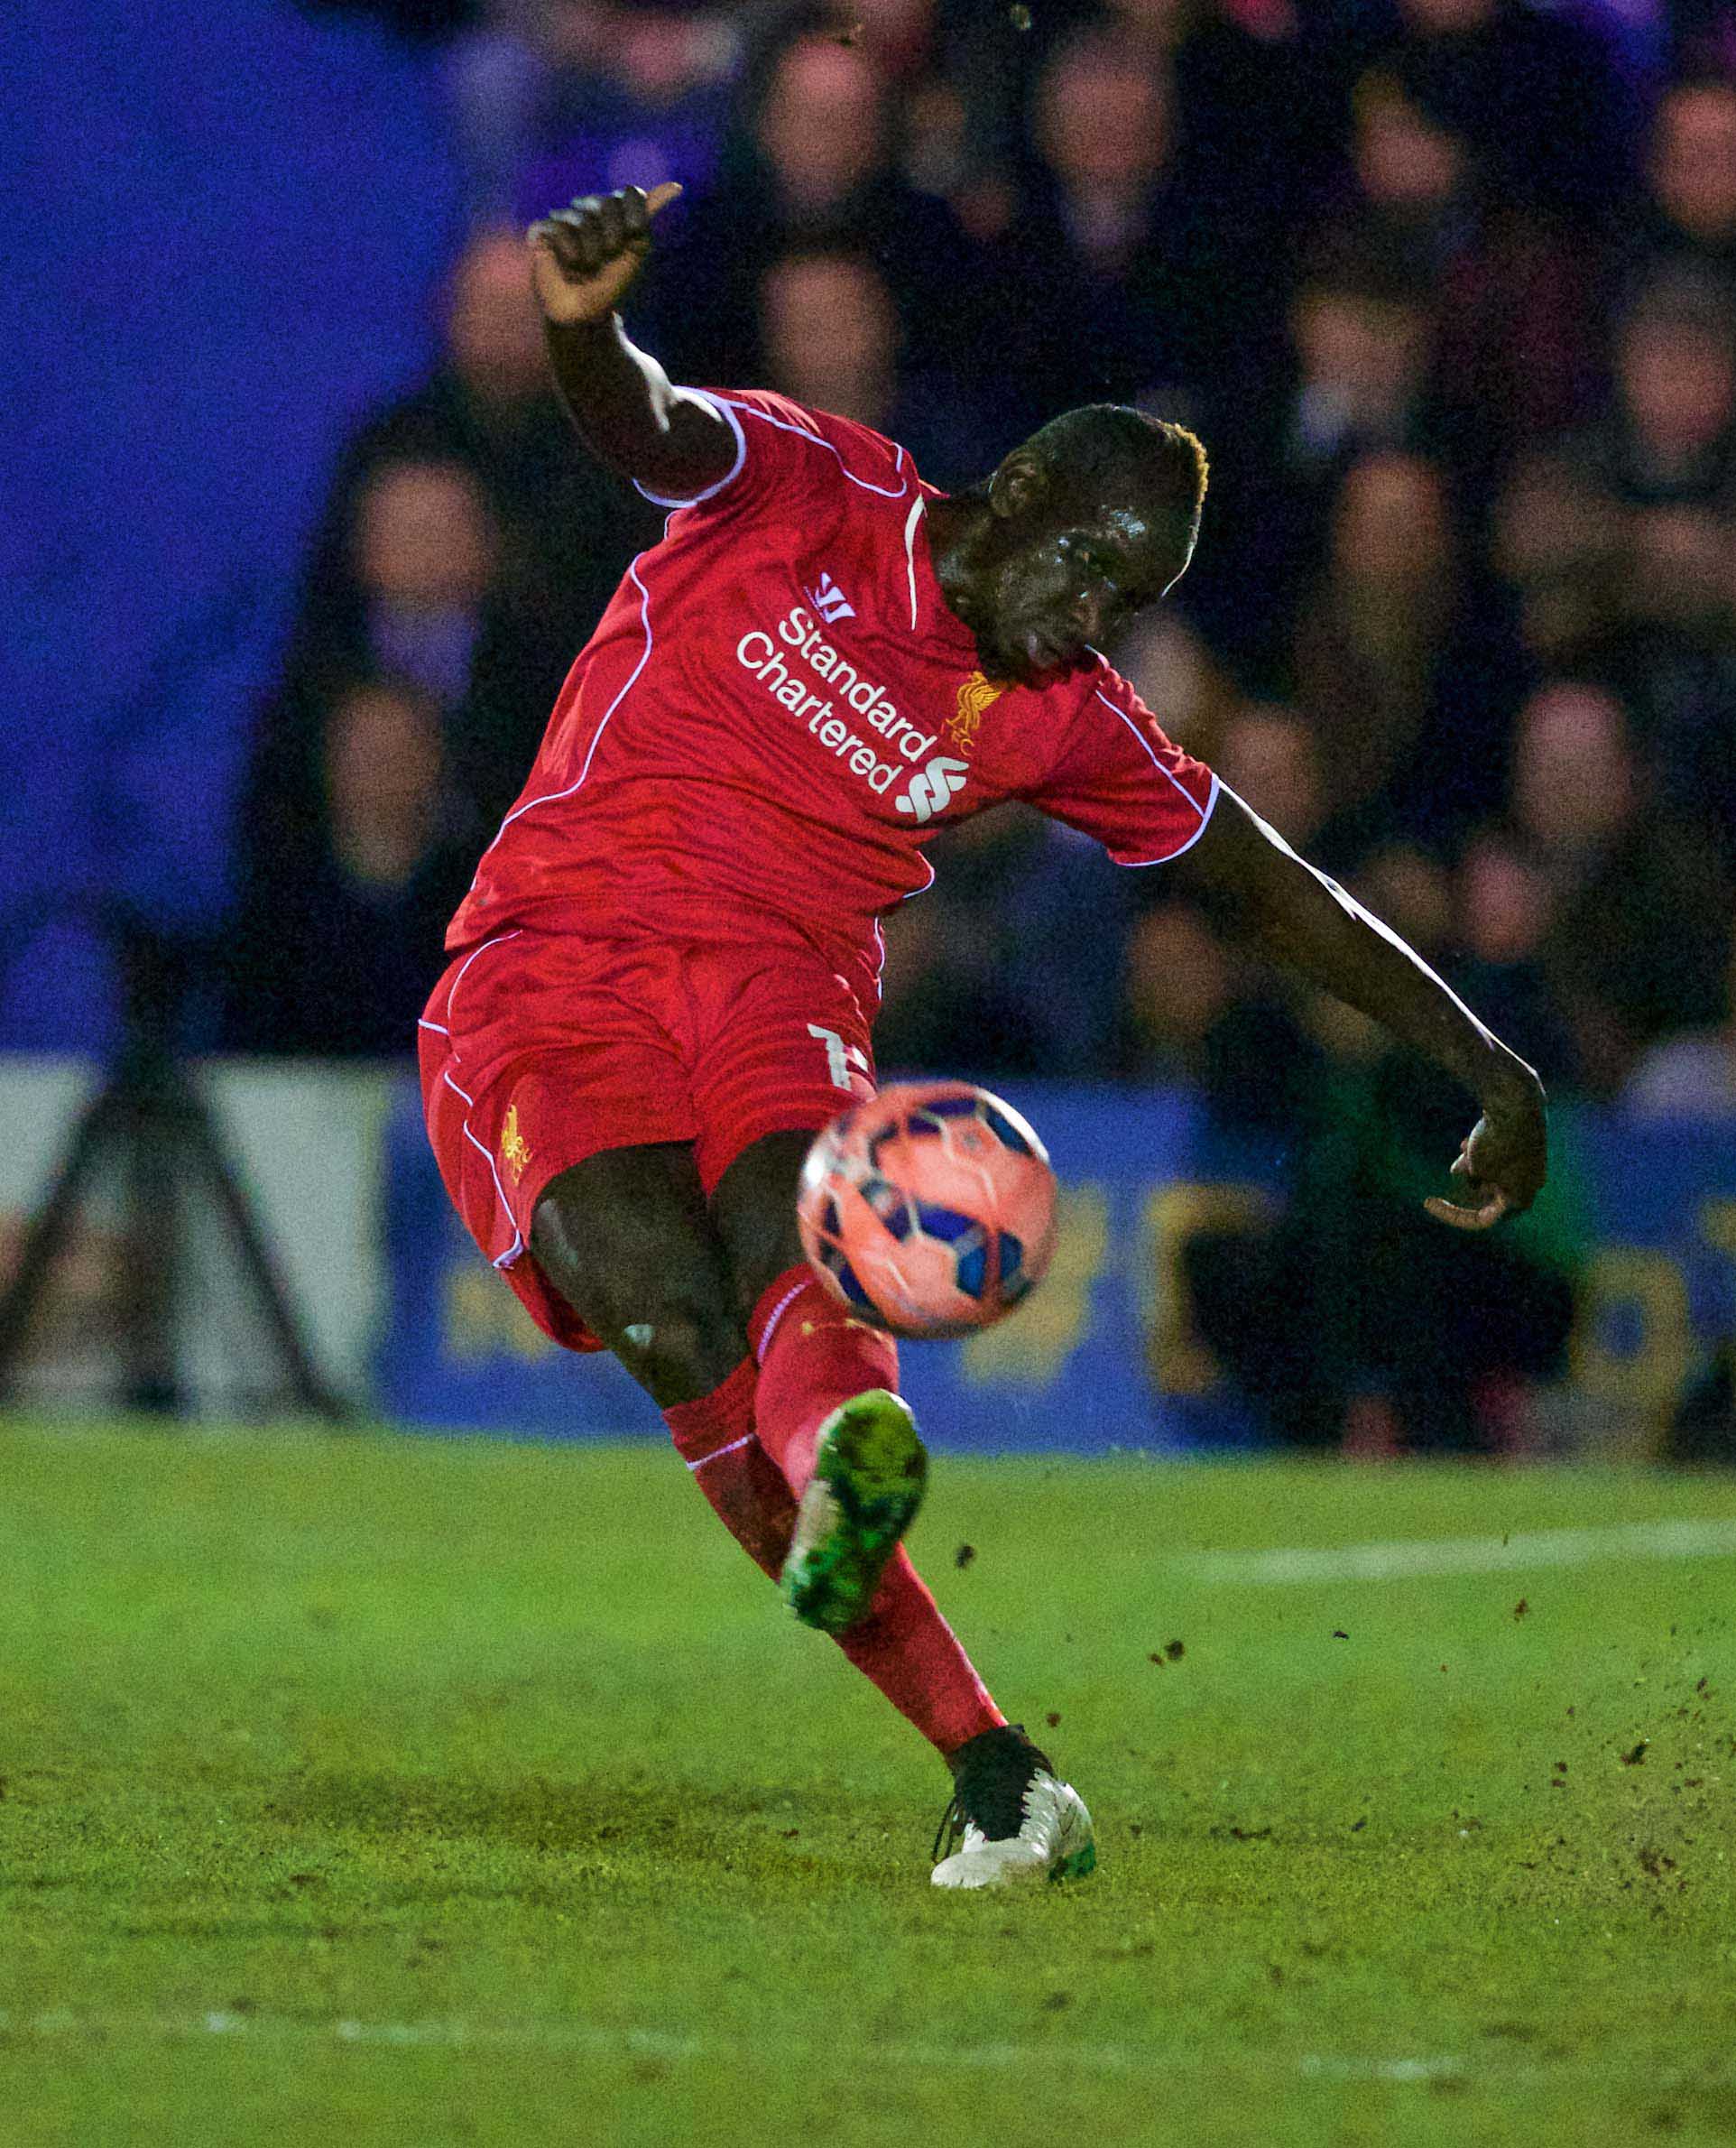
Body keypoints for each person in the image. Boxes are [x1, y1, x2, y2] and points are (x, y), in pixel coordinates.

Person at [418, 183, 1549, 1889]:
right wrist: (581, 325)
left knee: (789, 1234)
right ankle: (955, 1691)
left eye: (1130, 595)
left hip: (779, 983)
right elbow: (644, 423)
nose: (1091, 614)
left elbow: (1267, 883)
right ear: (1013, 493)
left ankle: (889, 1546)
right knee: (660, 1320)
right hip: (550, 965)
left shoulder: (1060, 715)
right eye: (1088, 563)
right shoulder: (812, 481)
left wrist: (1484, 1057)